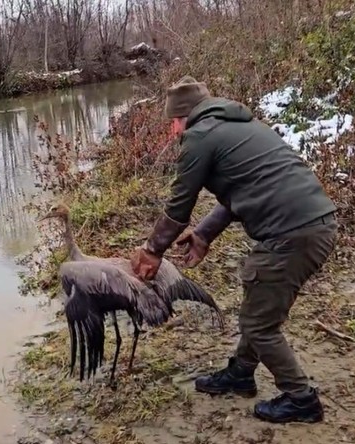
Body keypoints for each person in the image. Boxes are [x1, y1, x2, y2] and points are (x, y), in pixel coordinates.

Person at [130, 75, 338, 424]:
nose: (172, 133)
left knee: (259, 325)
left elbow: (179, 205)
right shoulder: (240, 125)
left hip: (292, 234)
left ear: (184, 117)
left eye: (173, 123)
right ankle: (241, 375)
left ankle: (300, 399)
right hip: (312, 225)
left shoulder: (200, 136)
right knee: (259, 309)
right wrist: (204, 235)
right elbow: (239, 194)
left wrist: (152, 250)